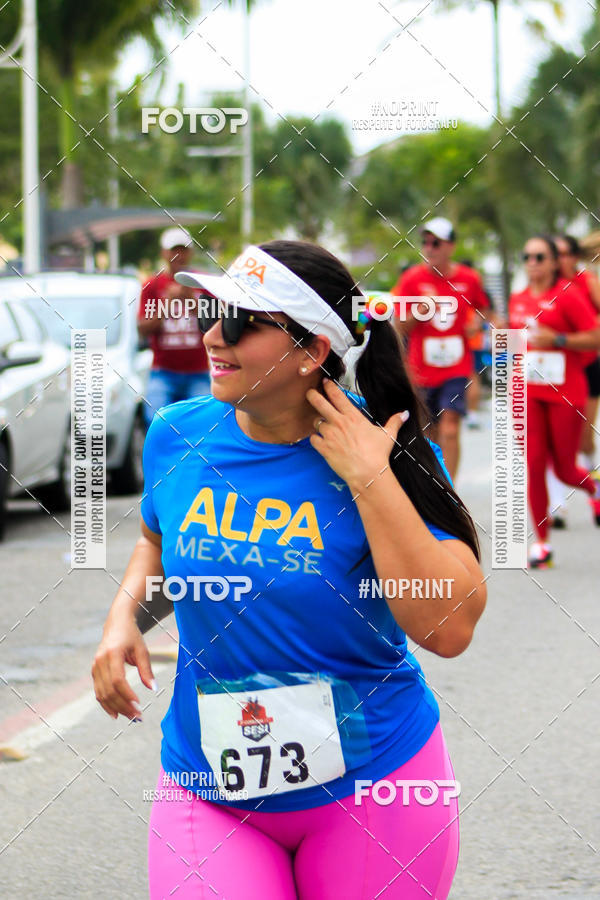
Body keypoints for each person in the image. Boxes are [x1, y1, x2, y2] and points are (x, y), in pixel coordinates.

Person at [92, 240, 487, 899]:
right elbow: (155, 541)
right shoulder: (178, 433)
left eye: (243, 322)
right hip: (210, 790)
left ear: (313, 350)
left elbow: (448, 629)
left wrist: (369, 480)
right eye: (214, 311)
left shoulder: (387, 448)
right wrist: (122, 617)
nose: (213, 334)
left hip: (377, 787)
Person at [508, 235, 600, 568]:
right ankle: (542, 545)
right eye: (527, 256)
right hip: (529, 392)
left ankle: (594, 488)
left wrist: (558, 339)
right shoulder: (517, 299)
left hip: (565, 391)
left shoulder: (569, 296)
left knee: (563, 469)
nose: (532, 263)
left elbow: (595, 336)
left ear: (552, 262)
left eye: (539, 257)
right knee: (533, 464)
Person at [392, 218, 491, 480]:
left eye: (436, 242)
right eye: (425, 242)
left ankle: (450, 490)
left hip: (456, 368)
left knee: (450, 427)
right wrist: (418, 313)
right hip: (422, 370)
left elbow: (484, 308)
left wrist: (477, 324)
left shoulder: (469, 278)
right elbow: (400, 326)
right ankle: (434, 485)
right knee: (429, 432)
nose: (429, 248)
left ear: (450, 246)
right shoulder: (412, 279)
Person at [138, 226, 210, 427]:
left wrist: (192, 302)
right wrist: (166, 305)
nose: (179, 255)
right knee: (155, 422)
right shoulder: (152, 285)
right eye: (174, 250)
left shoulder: (203, 283)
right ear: (164, 253)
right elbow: (143, 329)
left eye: (184, 249)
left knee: (202, 424)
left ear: (191, 252)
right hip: (163, 371)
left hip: (198, 371)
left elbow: (217, 323)